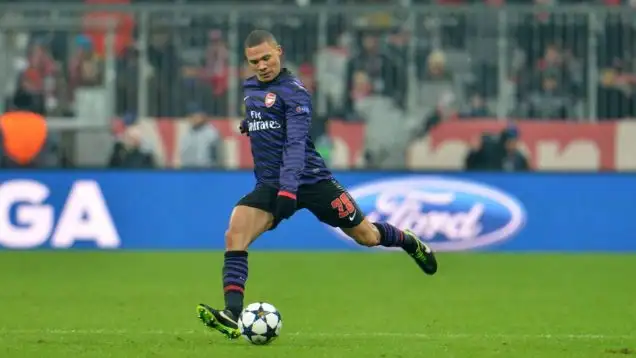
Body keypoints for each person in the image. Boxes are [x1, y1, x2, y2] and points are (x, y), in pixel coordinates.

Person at [196, 30, 438, 339]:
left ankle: (407, 241)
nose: (261, 66)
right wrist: (251, 125)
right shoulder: (250, 89)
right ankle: (231, 313)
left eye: (266, 58)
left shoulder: (294, 91)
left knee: (366, 235)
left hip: (311, 180)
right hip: (270, 183)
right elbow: (263, 117)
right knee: (235, 234)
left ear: (279, 52)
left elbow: (296, 143)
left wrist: (289, 190)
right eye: (254, 61)